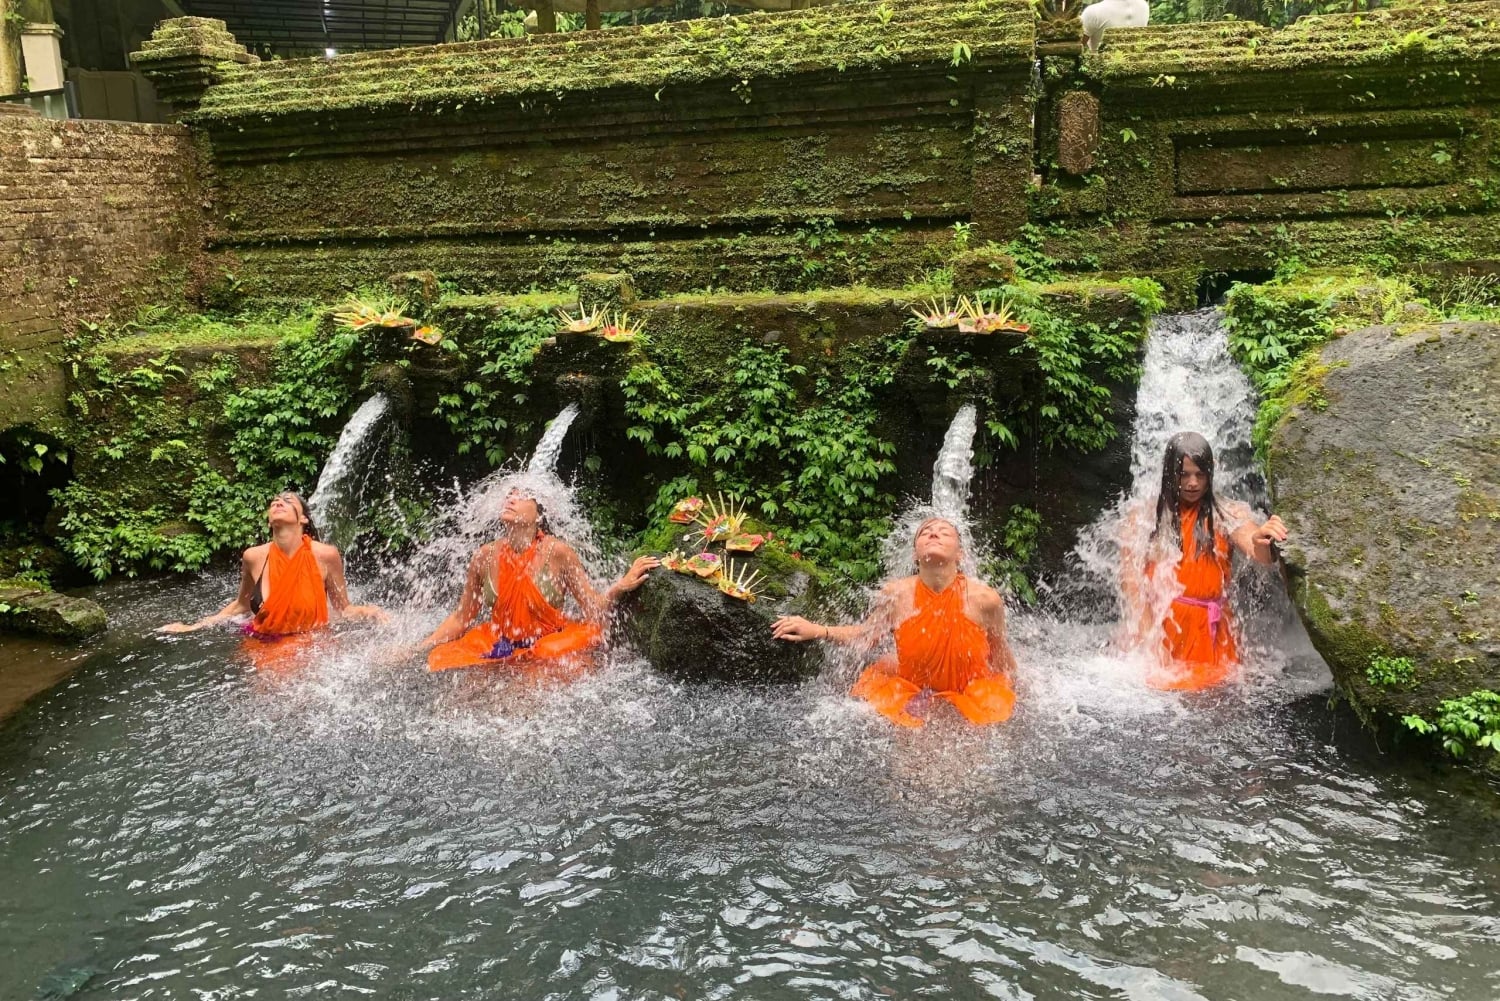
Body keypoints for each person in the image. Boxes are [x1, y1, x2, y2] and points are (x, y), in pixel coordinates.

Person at [772, 517, 1019, 728]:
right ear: (915, 555)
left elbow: (999, 652)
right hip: (910, 687)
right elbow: (865, 636)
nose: (933, 533)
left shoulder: (985, 600)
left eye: (944, 532)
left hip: (972, 691)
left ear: (960, 554)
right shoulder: (896, 594)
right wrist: (817, 630)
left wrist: (1020, 687)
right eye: (925, 533)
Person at [421, 490, 658, 672]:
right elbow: (461, 617)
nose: (510, 500)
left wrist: (620, 586)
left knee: (538, 677)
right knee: (447, 669)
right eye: (509, 495)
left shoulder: (559, 553)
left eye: (522, 496)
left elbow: (593, 609)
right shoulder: (484, 556)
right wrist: (420, 647)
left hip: (548, 644)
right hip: (500, 643)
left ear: (539, 515)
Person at [1121, 431, 1288, 691]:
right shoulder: (1144, 515)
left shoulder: (1226, 512)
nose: (1192, 483)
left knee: (1212, 702)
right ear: (1169, 473)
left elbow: (1260, 553)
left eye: (1200, 475)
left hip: (1211, 636)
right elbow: (1131, 585)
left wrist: (1261, 540)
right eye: (1184, 474)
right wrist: (1150, 643)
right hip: (1164, 629)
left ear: (1210, 474)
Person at [158, 492, 386, 662]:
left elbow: (343, 608)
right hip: (261, 643)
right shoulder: (253, 556)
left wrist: (370, 611)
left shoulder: (325, 555)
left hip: (311, 644)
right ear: (269, 521)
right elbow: (241, 605)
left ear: (304, 519)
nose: (278, 503)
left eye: (288, 501)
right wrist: (194, 627)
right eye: (274, 502)